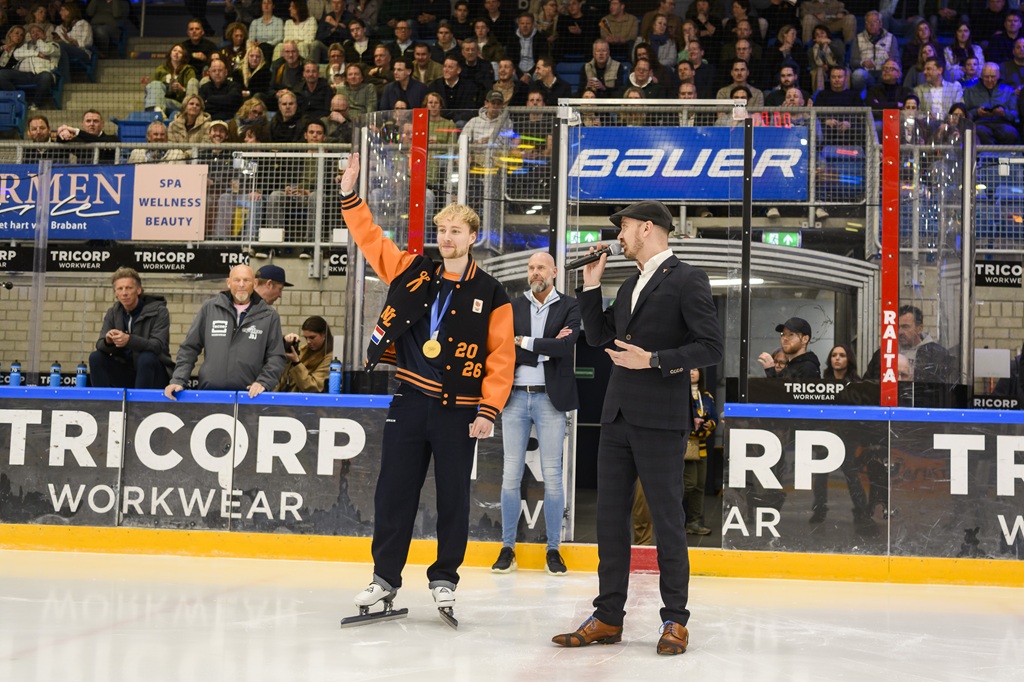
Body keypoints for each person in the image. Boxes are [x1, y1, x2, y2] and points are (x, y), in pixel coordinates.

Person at [337, 152, 515, 625]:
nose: (447, 238)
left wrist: (488, 410)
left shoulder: (493, 293)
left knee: (454, 497)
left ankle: (444, 580)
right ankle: (384, 580)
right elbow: (371, 239)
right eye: (442, 231)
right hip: (410, 402)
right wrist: (350, 195)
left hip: (460, 412)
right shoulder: (414, 272)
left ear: (473, 237)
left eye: (456, 231)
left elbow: (501, 360)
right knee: (393, 493)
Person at [551, 200, 723, 655]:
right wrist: (589, 288)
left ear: (648, 228)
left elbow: (711, 347)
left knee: (667, 521)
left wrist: (655, 360)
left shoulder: (688, 279)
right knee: (610, 522)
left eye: (623, 227)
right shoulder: (627, 284)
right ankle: (608, 617)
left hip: (661, 421)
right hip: (617, 417)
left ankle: (675, 620)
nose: (618, 235)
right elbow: (599, 337)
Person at [491, 252, 581, 576]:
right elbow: (503, 347)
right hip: (514, 398)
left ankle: (553, 549)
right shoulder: (513, 307)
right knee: (510, 474)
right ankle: (507, 547)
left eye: (540, 267)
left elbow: (565, 347)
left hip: (550, 400)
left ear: (554, 271)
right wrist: (544, 347)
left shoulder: (570, 306)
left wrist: (526, 342)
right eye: (530, 268)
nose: (534, 272)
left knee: (553, 477)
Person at [164, 263, 285, 399]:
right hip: (210, 394)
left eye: (246, 280)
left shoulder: (269, 315)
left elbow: (276, 357)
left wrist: (264, 382)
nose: (241, 285)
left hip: (250, 397)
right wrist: (178, 379)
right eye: (237, 280)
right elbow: (189, 348)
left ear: (254, 283)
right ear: (228, 283)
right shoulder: (210, 308)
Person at [90, 267, 173, 390]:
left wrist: (129, 340)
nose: (124, 293)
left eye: (129, 288)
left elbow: (157, 346)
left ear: (138, 290)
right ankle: (102, 402)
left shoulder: (159, 311)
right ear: (115, 293)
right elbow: (100, 344)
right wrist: (108, 341)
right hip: (126, 372)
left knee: (146, 358)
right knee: (96, 357)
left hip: (154, 373)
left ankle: (139, 406)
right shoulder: (113, 313)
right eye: (120, 289)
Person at [684, 367, 717, 536]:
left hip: (701, 445)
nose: (691, 372)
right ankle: (674, 517)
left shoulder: (707, 396)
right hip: (686, 445)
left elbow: (714, 418)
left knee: (699, 486)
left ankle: (694, 522)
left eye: (695, 369)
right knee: (688, 483)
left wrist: (709, 424)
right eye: (688, 369)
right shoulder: (679, 393)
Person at [0, 23, 58, 107]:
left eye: (38, 31)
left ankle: (35, 105)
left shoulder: (53, 45)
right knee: (1, 74)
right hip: (25, 75)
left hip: (42, 74)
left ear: (44, 33)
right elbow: (17, 53)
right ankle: (18, 99)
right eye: (33, 32)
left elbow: (47, 50)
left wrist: (39, 40)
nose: (36, 33)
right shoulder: (26, 46)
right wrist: (37, 53)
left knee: (46, 76)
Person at [964, 62, 1019, 144]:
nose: (990, 80)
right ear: (981, 76)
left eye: (993, 77)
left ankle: (1004, 156)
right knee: (980, 133)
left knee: (1010, 133)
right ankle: (988, 156)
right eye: (986, 77)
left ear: (998, 76)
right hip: (980, 123)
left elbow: (1014, 114)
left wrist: (1003, 113)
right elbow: (965, 113)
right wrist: (976, 112)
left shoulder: (1008, 90)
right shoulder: (970, 90)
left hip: (1002, 122)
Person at [275, 315, 333, 392]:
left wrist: (296, 363)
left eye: (312, 337)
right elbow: (283, 379)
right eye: (306, 338)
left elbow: (313, 387)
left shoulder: (329, 358)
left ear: (324, 334)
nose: (308, 341)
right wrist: (287, 347)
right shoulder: (303, 350)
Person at [143, 43, 198, 115]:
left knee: (155, 101)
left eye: (180, 52)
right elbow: (153, 91)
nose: (177, 53)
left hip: (179, 104)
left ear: (183, 56)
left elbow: (191, 92)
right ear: (170, 53)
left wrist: (181, 89)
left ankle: (157, 113)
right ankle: (158, 112)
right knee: (155, 84)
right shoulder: (160, 69)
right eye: (174, 50)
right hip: (161, 101)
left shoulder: (189, 70)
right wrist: (147, 85)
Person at [851, 11, 897, 92]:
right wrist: (863, 63)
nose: (872, 24)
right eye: (869, 22)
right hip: (866, 72)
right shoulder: (858, 38)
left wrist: (890, 60)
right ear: (865, 25)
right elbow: (852, 62)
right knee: (857, 75)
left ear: (880, 24)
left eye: (875, 21)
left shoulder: (891, 37)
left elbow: (897, 60)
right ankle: (861, 100)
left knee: (893, 73)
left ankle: (889, 100)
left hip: (884, 71)